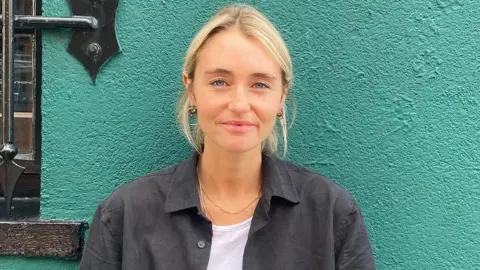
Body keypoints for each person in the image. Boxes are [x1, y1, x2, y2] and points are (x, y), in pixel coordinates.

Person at [79, 3, 375, 270]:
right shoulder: (124, 214)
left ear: (281, 97)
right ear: (191, 88)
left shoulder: (332, 215)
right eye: (219, 82)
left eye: (260, 84)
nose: (239, 104)